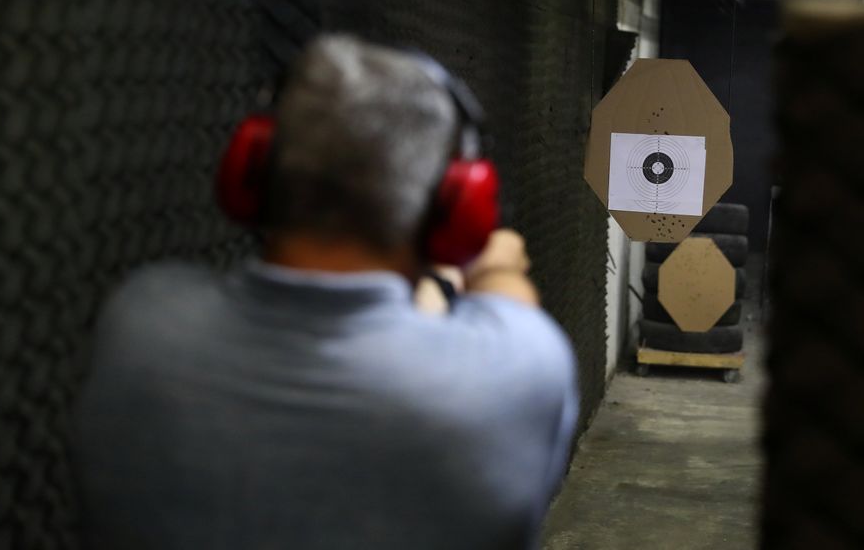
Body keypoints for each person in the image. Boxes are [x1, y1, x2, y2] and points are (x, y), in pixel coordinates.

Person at [73, 35, 580, 550]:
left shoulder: (143, 320)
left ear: (252, 169)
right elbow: (505, 310)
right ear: (459, 207)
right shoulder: (521, 366)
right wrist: (488, 268)